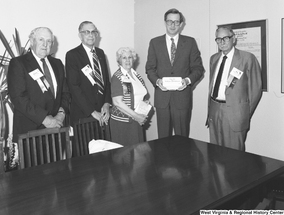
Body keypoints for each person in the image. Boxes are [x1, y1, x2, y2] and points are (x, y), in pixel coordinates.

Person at [145, 8, 204, 138]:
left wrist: (187, 81)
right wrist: (157, 81)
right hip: (162, 99)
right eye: (170, 21)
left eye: (176, 22)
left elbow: (198, 69)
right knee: (163, 139)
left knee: (182, 139)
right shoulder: (155, 42)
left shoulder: (190, 42)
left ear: (181, 24)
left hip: (182, 98)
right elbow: (150, 68)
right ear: (165, 22)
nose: (173, 25)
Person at [8, 27, 70, 143]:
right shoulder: (18, 63)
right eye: (41, 40)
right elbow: (18, 98)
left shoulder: (57, 64)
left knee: (58, 162)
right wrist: (45, 119)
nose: (45, 44)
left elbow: (65, 93)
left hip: (56, 130)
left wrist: (61, 114)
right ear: (32, 41)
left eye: (49, 41)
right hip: (30, 133)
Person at [207, 26, 262, 151]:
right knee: (215, 152)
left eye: (225, 38)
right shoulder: (214, 59)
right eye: (218, 39)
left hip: (235, 113)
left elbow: (256, 90)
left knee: (235, 155)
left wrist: (244, 113)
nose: (222, 42)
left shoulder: (247, 58)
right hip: (214, 109)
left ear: (234, 39)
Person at [65, 21, 111, 127]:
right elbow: (74, 87)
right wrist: (92, 112)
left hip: (103, 114)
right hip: (83, 114)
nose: (90, 35)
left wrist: (107, 104)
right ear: (80, 35)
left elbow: (106, 82)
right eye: (86, 32)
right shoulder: (72, 55)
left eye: (93, 32)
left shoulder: (101, 53)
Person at [110, 47, 148, 146]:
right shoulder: (117, 77)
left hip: (136, 119)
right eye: (124, 58)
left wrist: (144, 105)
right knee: (126, 155)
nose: (127, 60)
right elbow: (117, 102)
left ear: (133, 59)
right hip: (123, 123)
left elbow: (137, 95)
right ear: (119, 60)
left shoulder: (136, 75)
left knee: (139, 154)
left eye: (130, 57)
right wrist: (136, 116)